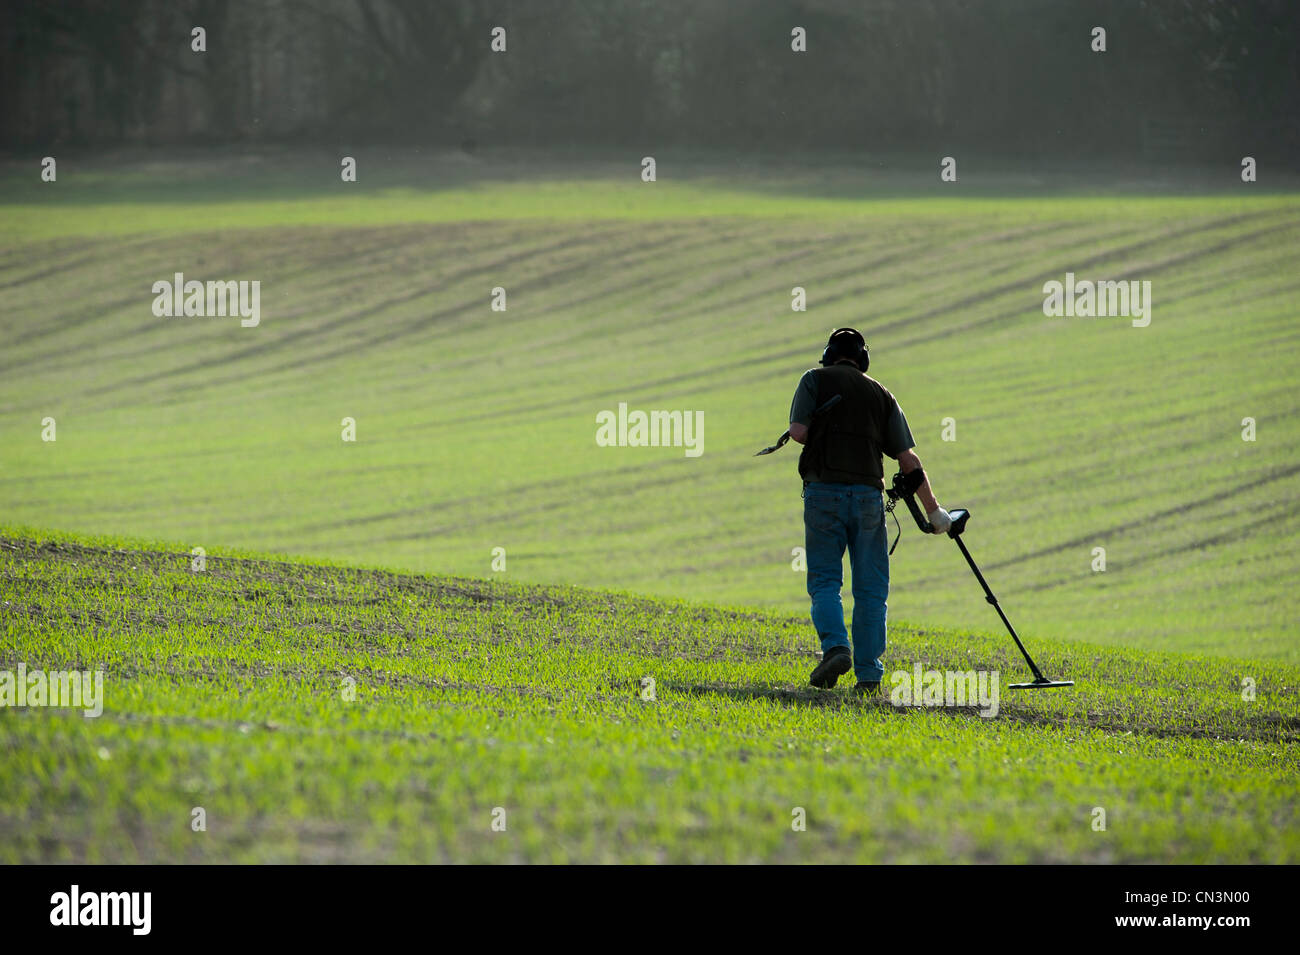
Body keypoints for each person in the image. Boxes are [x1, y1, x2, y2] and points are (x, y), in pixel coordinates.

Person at [787, 328, 950, 694]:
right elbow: (908, 460)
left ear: (829, 355)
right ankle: (869, 674)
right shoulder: (882, 394)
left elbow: (797, 432)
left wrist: (825, 435)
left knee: (826, 582)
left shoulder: (813, 380)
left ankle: (835, 648)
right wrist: (935, 512)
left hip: (823, 493)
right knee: (872, 590)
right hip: (868, 498)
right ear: (863, 360)